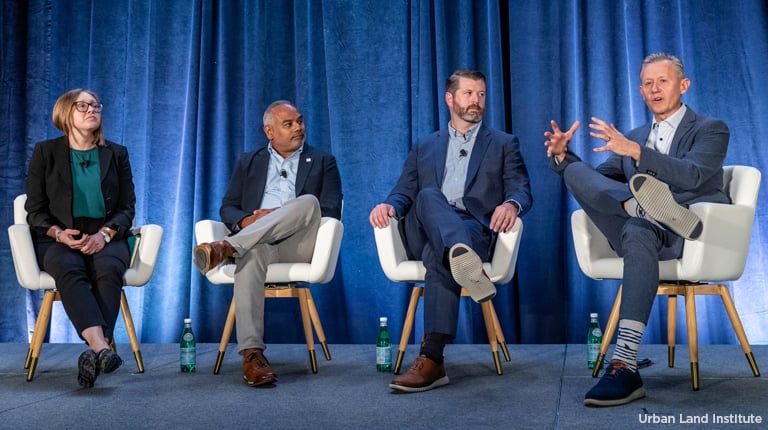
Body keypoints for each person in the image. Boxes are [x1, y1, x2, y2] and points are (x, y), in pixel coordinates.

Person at [544, 53, 730, 407]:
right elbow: (598, 184)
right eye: (647, 83)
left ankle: (624, 360)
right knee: (579, 176)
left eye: (662, 81)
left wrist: (638, 154)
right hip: (637, 221)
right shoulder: (635, 135)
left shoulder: (710, 128)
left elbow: (692, 174)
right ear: (641, 92)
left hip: (685, 232)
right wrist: (563, 156)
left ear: (683, 85)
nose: (654, 89)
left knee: (638, 230)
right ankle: (639, 206)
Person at [369, 69, 532, 393]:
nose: (476, 101)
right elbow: (404, 191)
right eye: (469, 93)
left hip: (472, 227)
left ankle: (432, 358)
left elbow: (521, 189)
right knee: (429, 194)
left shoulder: (503, 143)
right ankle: (462, 257)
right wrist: (387, 205)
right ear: (450, 98)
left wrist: (510, 205)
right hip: (424, 224)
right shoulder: (425, 145)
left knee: (438, 255)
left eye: (482, 94)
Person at [193, 100, 342, 387]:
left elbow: (331, 209)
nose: (298, 127)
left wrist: (274, 215)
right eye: (289, 124)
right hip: (258, 244)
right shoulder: (249, 161)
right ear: (269, 132)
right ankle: (252, 354)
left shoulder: (323, 161)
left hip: (299, 243)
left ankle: (226, 248)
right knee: (253, 252)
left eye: (299, 121)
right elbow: (228, 208)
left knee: (308, 202)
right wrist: (250, 221)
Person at [25, 88, 135, 388]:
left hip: (107, 236)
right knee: (69, 268)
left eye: (96, 105)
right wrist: (59, 234)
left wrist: (105, 234)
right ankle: (102, 349)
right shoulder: (45, 152)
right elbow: (33, 211)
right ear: (65, 114)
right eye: (82, 105)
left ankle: (93, 350)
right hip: (60, 238)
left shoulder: (116, 153)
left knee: (108, 269)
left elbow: (127, 208)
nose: (92, 110)